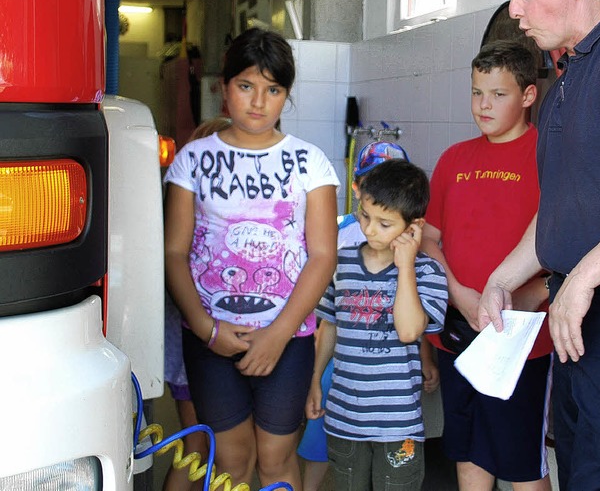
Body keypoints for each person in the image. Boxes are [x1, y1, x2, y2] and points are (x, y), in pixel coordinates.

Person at [477, 0, 600, 491]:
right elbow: (561, 207)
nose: (514, 12)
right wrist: (507, 274)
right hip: (575, 320)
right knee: (575, 473)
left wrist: (585, 277)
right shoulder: (566, 79)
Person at [163, 27, 340, 490]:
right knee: (231, 462)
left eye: (273, 89)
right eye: (246, 86)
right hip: (211, 340)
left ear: (286, 95)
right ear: (224, 89)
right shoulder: (193, 159)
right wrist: (209, 331)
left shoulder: (311, 163)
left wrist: (279, 336)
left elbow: (323, 256)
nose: (258, 102)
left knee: (277, 460)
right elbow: (174, 252)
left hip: (288, 338)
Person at [421, 39, 553, 491]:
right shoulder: (453, 159)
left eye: (498, 94)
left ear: (528, 96)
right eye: (477, 92)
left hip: (519, 343)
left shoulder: (549, 157)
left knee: (522, 465)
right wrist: (460, 293)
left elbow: (567, 252)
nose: (483, 105)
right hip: (457, 330)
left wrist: (520, 299)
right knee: (467, 451)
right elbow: (429, 240)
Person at [296, 141, 440, 491]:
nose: (370, 230)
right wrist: (315, 379)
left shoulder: (427, 273)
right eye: (365, 216)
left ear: (413, 225)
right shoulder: (340, 262)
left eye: (385, 223)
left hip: (398, 424)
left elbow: (409, 331)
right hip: (346, 416)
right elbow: (330, 324)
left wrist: (405, 265)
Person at [163, 116, 231, 491]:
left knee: (197, 447)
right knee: (203, 449)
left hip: (183, 357)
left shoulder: (179, 206)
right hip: (195, 356)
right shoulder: (201, 223)